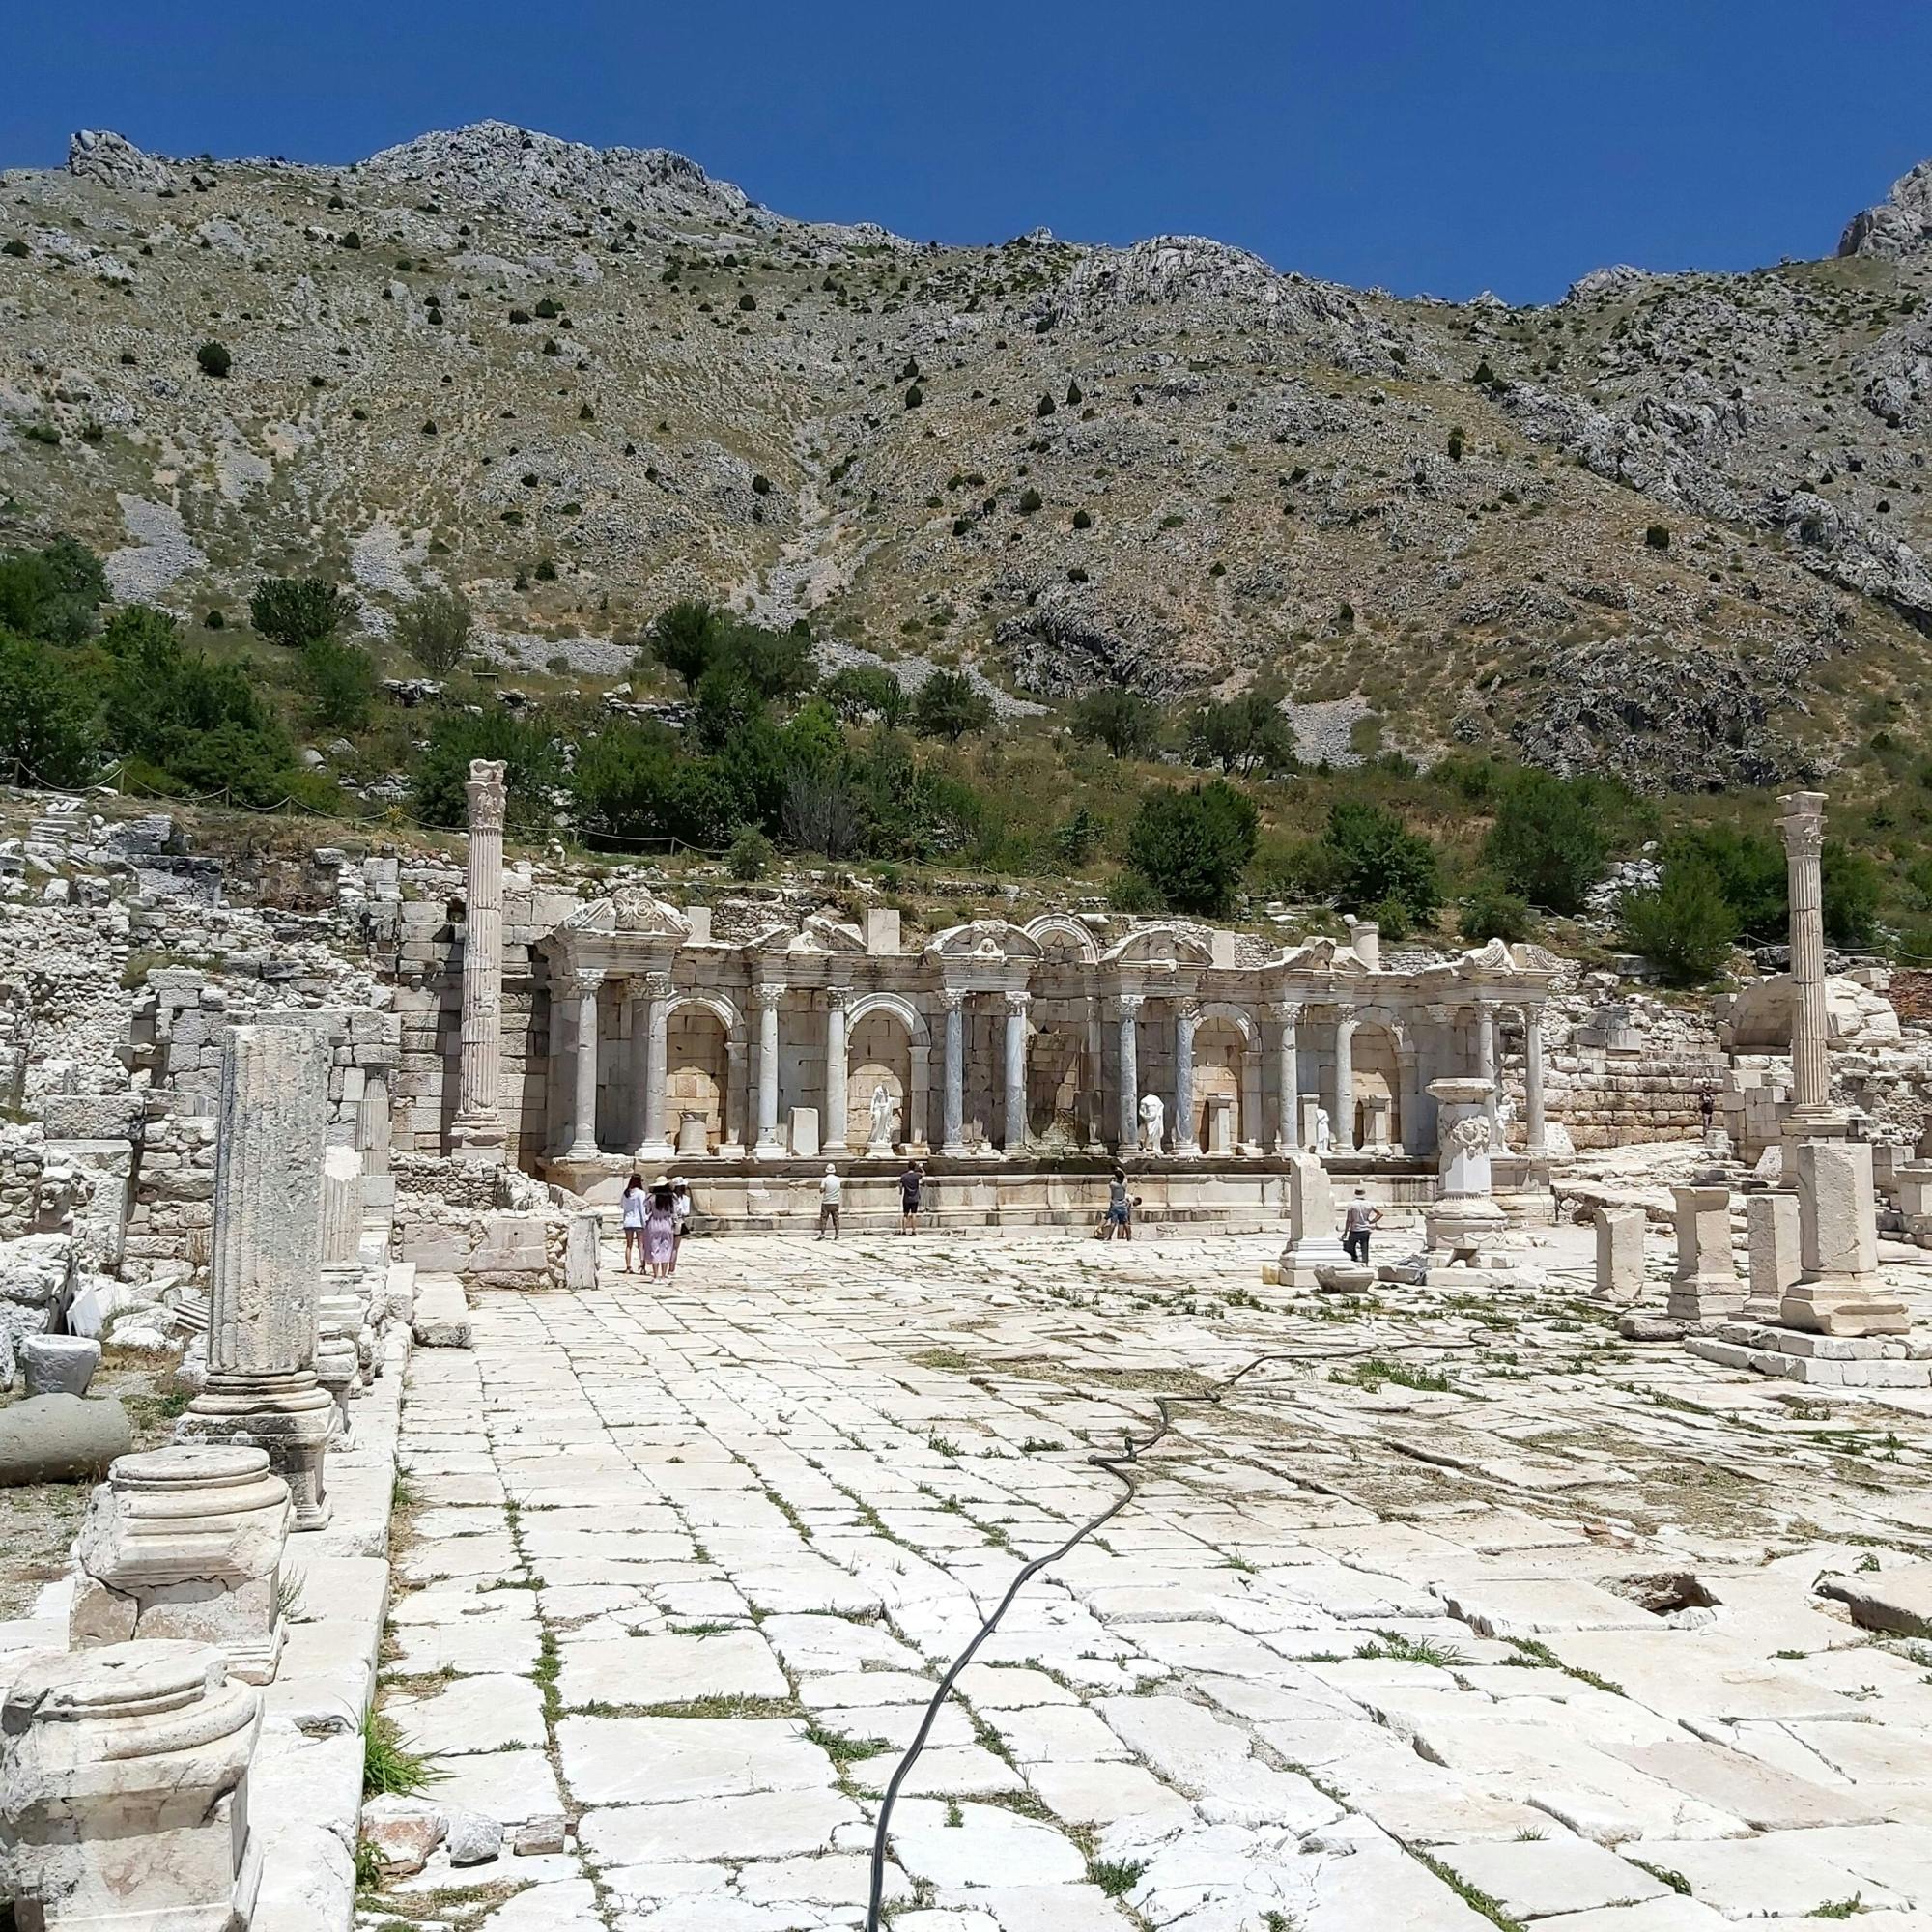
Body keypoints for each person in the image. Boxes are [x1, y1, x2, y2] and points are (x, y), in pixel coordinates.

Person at [642, 1176, 677, 1279]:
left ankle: (656, 1275)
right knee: (666, 1248)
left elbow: (647, 1211)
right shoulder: (672, 1198)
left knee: (655, 1248)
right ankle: (663, 1275)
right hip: (667, 1223)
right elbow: (674, 1212)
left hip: (654, 1222)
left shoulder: (651, 1198)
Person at [1342, 1188, 1381, 1264]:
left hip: (1355, 1229)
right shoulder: (1369, 1204)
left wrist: (1345, 1232)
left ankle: (1354, 1260)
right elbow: (1380, 1214)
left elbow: (1349, 1220)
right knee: (1364, 1248)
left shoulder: (1351, 1204)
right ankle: (1365, 1262)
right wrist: (1372, 1221)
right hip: (1365, 1229)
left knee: (1351, 1247)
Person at [619, 1172, 647, 1273]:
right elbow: (642, 1209)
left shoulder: (626, 1193)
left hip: (628, 1221)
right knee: (641, 1245)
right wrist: (645, 1223)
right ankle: (643, 1266)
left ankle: (628, 1266)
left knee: (628, 1245)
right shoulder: (641, 1193)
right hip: (638, 1221)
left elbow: (622, 1206)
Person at [1101, 1166, 1133, 1241]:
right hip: (1123, 1205)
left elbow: (1110, 1181)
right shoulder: (1124, 1185)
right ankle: (1129, 1237)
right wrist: (1120, 1170)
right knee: (1126, 1222)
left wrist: (1113, 1177)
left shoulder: (1113, 1185)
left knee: (1113, 1222)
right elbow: (1125, 1176)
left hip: (1115, 1204)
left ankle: (1109, 1237)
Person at [669, 1178, 693, 1271]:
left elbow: (686, 1212)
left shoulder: (685, 1198)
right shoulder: (672, 1197)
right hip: (677, 1222)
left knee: (674, 1247)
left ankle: (671, 1268)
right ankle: (671, 1269)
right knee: (674, 1247)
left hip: (677, 1222)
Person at [899, 1160, 923, 1235]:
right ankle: (914, 1230)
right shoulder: (916, 1175)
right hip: (915, 1197)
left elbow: (900, 1186)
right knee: (914, 1214)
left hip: (906, 1197)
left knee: (905, 1214)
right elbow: (924, 1174)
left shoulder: (903, 1176)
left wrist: (900, 1191)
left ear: (908, 1167)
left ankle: (904, 1230)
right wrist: (921, 1168)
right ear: (914, 1167)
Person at [818, 1162, 841, 1239]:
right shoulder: (838, 1179)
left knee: (824, 1219)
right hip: (835, 1201)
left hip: (826, 1202)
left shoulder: (825, 1179)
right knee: (836, 1219)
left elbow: (821, 1190)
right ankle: (837, 1235)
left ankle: (823, 1234)